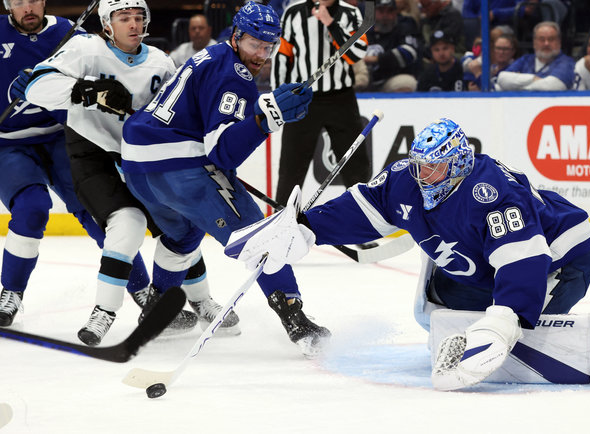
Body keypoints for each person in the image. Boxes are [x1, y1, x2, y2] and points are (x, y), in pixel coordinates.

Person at [233, 118, 590, 390]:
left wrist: (504, 321)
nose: (423, 176)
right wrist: (307, 227)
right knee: (439, 310)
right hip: (484, 260)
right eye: (419, 166)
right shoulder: (407, 179)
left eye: (434, 167)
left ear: (458, 164)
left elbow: (523, 261)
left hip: (560, 257)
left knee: (524, 333)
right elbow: (364, 208)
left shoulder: (492, 193)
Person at [21, 0, 239, 346]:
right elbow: (35, 87)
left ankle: (201, 301)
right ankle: (103, 312)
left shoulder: (161, 62)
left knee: (180, 226)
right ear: (107, 24)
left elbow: (180, 114)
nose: (134, 24)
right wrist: (85, 90)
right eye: (124, 18)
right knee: (128, 224)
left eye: (138, 17)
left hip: (142, 158)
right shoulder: (85, 49)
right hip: (93, 153)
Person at [119, 2, 329, 357]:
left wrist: (260, 112)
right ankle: (297, 322)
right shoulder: (235, 76)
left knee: (183, 235)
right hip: (179, 169)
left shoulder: (214, 55)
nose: (260, 54)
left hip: (138, 166)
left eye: (268, 47)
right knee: (261, 237)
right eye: (254, 44)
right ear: (236, 36)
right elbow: (222, 154)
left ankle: (157, 311)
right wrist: (267, 118)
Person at [0, 0, 107, 327]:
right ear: (8, 6)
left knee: (101, 210)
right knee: (31, 208)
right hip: (9, 144)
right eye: (19, 2)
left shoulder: (68, 33)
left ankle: (143, 292)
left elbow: (100, 79)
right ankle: (11, 292)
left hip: (62, 137)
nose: (27, 7)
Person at [272, 0, 371, 207]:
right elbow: (282, 56)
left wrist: (331, 23)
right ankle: (283, 221)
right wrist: (279, 97)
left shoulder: (350, 12)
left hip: (341, 99)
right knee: (291, 168)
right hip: (302, 99)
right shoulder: (293, 12)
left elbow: (356, 54)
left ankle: (363, 218)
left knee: (356, 167)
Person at [495, 21, 574, 91]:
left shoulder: (566, 62)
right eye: (542, 39)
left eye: (551, 39)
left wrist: (517, 84)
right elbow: (502, 79)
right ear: (534, 43)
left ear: (559, 42)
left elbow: (553, 86)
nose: (546, 43)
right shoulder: (525, 59)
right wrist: (533, 78)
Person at [364, 0, 422, 92]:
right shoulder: (363, 31)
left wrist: (375, 59)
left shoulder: (405, 27)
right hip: (365, 80)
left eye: (390, 11)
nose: (385, 15)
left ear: (396, 12)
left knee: (406, 82)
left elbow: (409, 52)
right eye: (381, 11)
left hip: (390, 79)